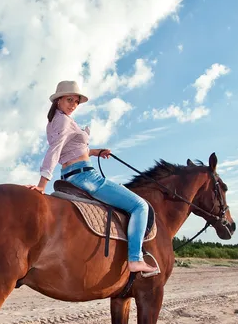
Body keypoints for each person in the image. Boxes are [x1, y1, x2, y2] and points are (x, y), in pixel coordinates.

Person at [28, 80, 159, 275]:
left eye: (76, 102)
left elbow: (72, 149)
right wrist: (42, 184)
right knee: (139, 206)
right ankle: (135, 259)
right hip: (87, 177)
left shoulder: (56, 121)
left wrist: (96, 152)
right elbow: (54, 150)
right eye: (69, 100)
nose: (73, 104)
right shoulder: (63, 121)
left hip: (71, 176)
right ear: (58, 101)